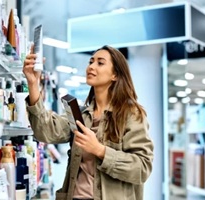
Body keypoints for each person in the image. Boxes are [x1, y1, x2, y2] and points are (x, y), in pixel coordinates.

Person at [23, 45, 154, 200]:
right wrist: (33, 83)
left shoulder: (131, 115)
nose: (91, 66)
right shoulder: (81, 115)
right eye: (91, 61)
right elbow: (45, 130)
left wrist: (100, 150)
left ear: (115, 75)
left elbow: (142, 168)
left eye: (100, 63)